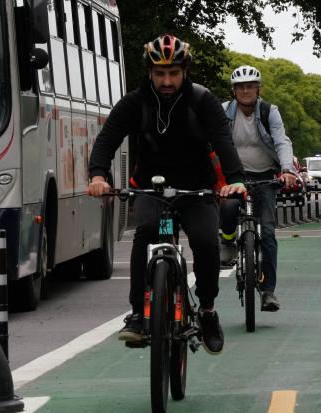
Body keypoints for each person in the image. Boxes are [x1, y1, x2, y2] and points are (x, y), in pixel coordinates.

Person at [88, 35, 246, 355]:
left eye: (173, 72)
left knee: (204, 240)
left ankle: (207, 311)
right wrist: (97, 176)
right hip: (152, 188)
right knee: (146, 231)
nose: (166, 80)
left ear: (184, 71)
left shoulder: (202, 101)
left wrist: (236, 180)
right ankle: (137, 313)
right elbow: (107, 139)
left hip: (195, 188)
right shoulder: (135, 102)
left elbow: (222, 141)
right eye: (159, 73)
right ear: (149, 72)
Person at [219, 65, 297, 313]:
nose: (245, 91)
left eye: (250, 86)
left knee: (269, 233)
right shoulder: (223, 112)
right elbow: (211, 142)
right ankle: (229, 242)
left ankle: (268, 292)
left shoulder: (268, 111)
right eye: (240, 87)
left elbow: (281, 140)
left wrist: (287, 170)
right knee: (229, 206)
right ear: (233, 90)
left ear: (258, 89)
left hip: (265, 176)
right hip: (234, 177)